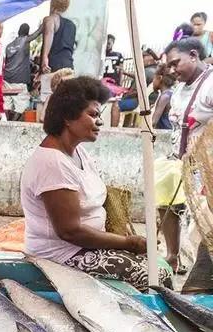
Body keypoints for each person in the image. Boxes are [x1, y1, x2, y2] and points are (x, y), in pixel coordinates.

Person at [21, 76, 173, 291]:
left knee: (159, 266)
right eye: (92, 115)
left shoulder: (77, 151)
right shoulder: (52, 163)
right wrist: (128, 243)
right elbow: (70, 232)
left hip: (83, 247)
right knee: (154, 275)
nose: (99, 121)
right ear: (67, 117)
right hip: (61, 254)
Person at [160, 38, 213, 279]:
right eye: (169, 66)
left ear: (193, 55)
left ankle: (201, 271)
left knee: (202, 221)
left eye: (175, 63)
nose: (172, 70)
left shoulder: (210, 85)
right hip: (180, 159)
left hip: (206, 164)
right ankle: (173, 255)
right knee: (165, 200)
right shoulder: (180, 89)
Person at [4, 23, 41, 119]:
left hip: (7, 79)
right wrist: (44, 24)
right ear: (27, 33)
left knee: (7, 104)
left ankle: (5, 123)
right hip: (19, 80)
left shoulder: (9, 46)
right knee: (22, 106)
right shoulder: (25, 40)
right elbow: (37, 33)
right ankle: (12, 125)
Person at [40, 0, 76, 74]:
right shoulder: (72, 25)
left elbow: (48, 36)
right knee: (67, 85)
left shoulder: (50, 19)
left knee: (48, 85)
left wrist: (44, 58)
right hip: (69, 65)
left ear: (52, 4)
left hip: (53, 64)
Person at [151, 63, 176, 130]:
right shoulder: (171, 93)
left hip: (166, 133)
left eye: (154, 79)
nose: (152, 82)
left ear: (159, 78)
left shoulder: (165, 97)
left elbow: (153, 122)